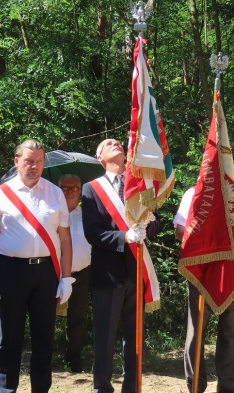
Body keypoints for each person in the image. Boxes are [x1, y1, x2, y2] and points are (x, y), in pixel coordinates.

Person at [0, 138, 74, 393]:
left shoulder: (55, 193)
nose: (35, 166)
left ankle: (40, 389)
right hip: (11, 272)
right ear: (17, 161)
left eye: (40, 161)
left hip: (46, 272)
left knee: (44, 338)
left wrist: (66, 277)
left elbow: (65, 238)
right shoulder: (1, 194)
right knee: (10, 337)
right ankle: (6, 389)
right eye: (29, 161)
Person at [82, 138, 160, 393]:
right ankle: (102, 388)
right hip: (108, 273)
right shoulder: (91, 189)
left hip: (137, 270)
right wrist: (123, 236)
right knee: (105, 337)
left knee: (135, 337)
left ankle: (132, 387)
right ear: (100, 158)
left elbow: (157, 224)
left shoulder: (138, 185)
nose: (115, 144)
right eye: (108, 144)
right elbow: (92, 233)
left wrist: (149, 222)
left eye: (118, 142)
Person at [174, 186, 234, 393]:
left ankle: (227, 385)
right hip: (203, 272)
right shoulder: (194, 193)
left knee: (230, 331)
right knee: (197, 330)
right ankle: (195, 385)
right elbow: (180, 231)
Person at [58, 174, 91, 373]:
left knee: (77, 318)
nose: (70, 191)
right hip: (54, 274)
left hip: (82, 274)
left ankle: (73, 358)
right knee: (45, 316)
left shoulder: (88, 214)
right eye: (65, 188)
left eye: (75, 188)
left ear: (80, 192)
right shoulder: (51, 212)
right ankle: (45, 355)